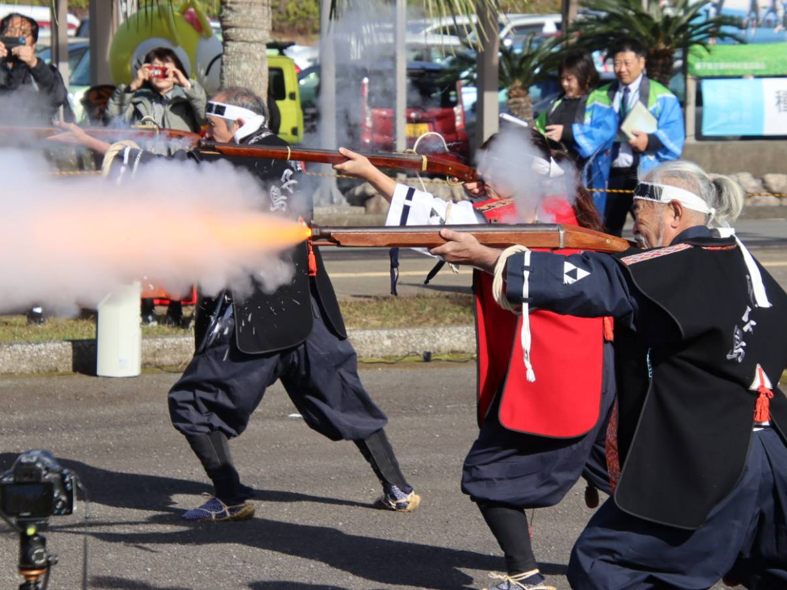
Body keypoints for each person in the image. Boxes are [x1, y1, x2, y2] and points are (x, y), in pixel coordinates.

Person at [55, 86, 420, 522]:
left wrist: (95, 144)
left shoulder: (235, 160)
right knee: (344, 394)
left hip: (255, 309)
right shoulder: (278, 153)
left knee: (192, 404)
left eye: (215, 125)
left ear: (240, 124)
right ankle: (398, 487)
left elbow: (161, 173)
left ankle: (230, 498)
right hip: (304, 303)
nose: (208, 132)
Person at [447, 160, 787, 588]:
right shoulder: (743, 262)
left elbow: (593, 283)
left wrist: (491, 258)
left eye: (641, 215)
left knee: (605, 567)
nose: (636, 228)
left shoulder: (678, 265)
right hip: (774, 454)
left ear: (676, 213)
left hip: (709, 459)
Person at [334, 125, 615, 590]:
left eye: (490, 172)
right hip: (581, 364)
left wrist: (372, 173)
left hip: (557, 369)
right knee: (623, 473)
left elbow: (442, 219)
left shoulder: (525, 209)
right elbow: (459, 217)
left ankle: (526, 578)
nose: (477, 181)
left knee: (490, 475)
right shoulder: (546, 205)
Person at [107, 46, 207, 326]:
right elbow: (112, 119)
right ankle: (146, 305)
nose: (160, 72)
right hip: (144, 179)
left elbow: (206, 118)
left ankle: (176, 305)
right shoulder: (137, 98)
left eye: (167, 66)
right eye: (154, 66)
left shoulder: (186, 99)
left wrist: (187, 85)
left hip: (179, 181)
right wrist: (131, 87)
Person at [592, 38, 684, 236]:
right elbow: (588, 129)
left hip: (646, 172)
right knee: (606, 232)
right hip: (611, 173)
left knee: (650, 230)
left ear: (641, 63)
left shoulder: (662, 96)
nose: (621, 69)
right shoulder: (600, 95)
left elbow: (674, 133)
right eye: (617, 63)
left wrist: (649, 141)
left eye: (627, 63)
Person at [536, 51, 618, 216]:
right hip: (554, 177)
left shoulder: (598, 101)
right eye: (562, 79)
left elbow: (605, 133)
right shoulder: (556, 102)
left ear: (585, 77)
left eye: (570, 79)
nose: (565, 84)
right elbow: (540, 126)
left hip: (586, 176)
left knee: (586, 219)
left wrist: (567, 132)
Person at [0, 12, 72, 124]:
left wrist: (34, 63)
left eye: (23, 33)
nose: (16, 36)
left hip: (36, 137)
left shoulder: (42, 70)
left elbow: (57, 96)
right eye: (11, 31)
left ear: (33, 44)